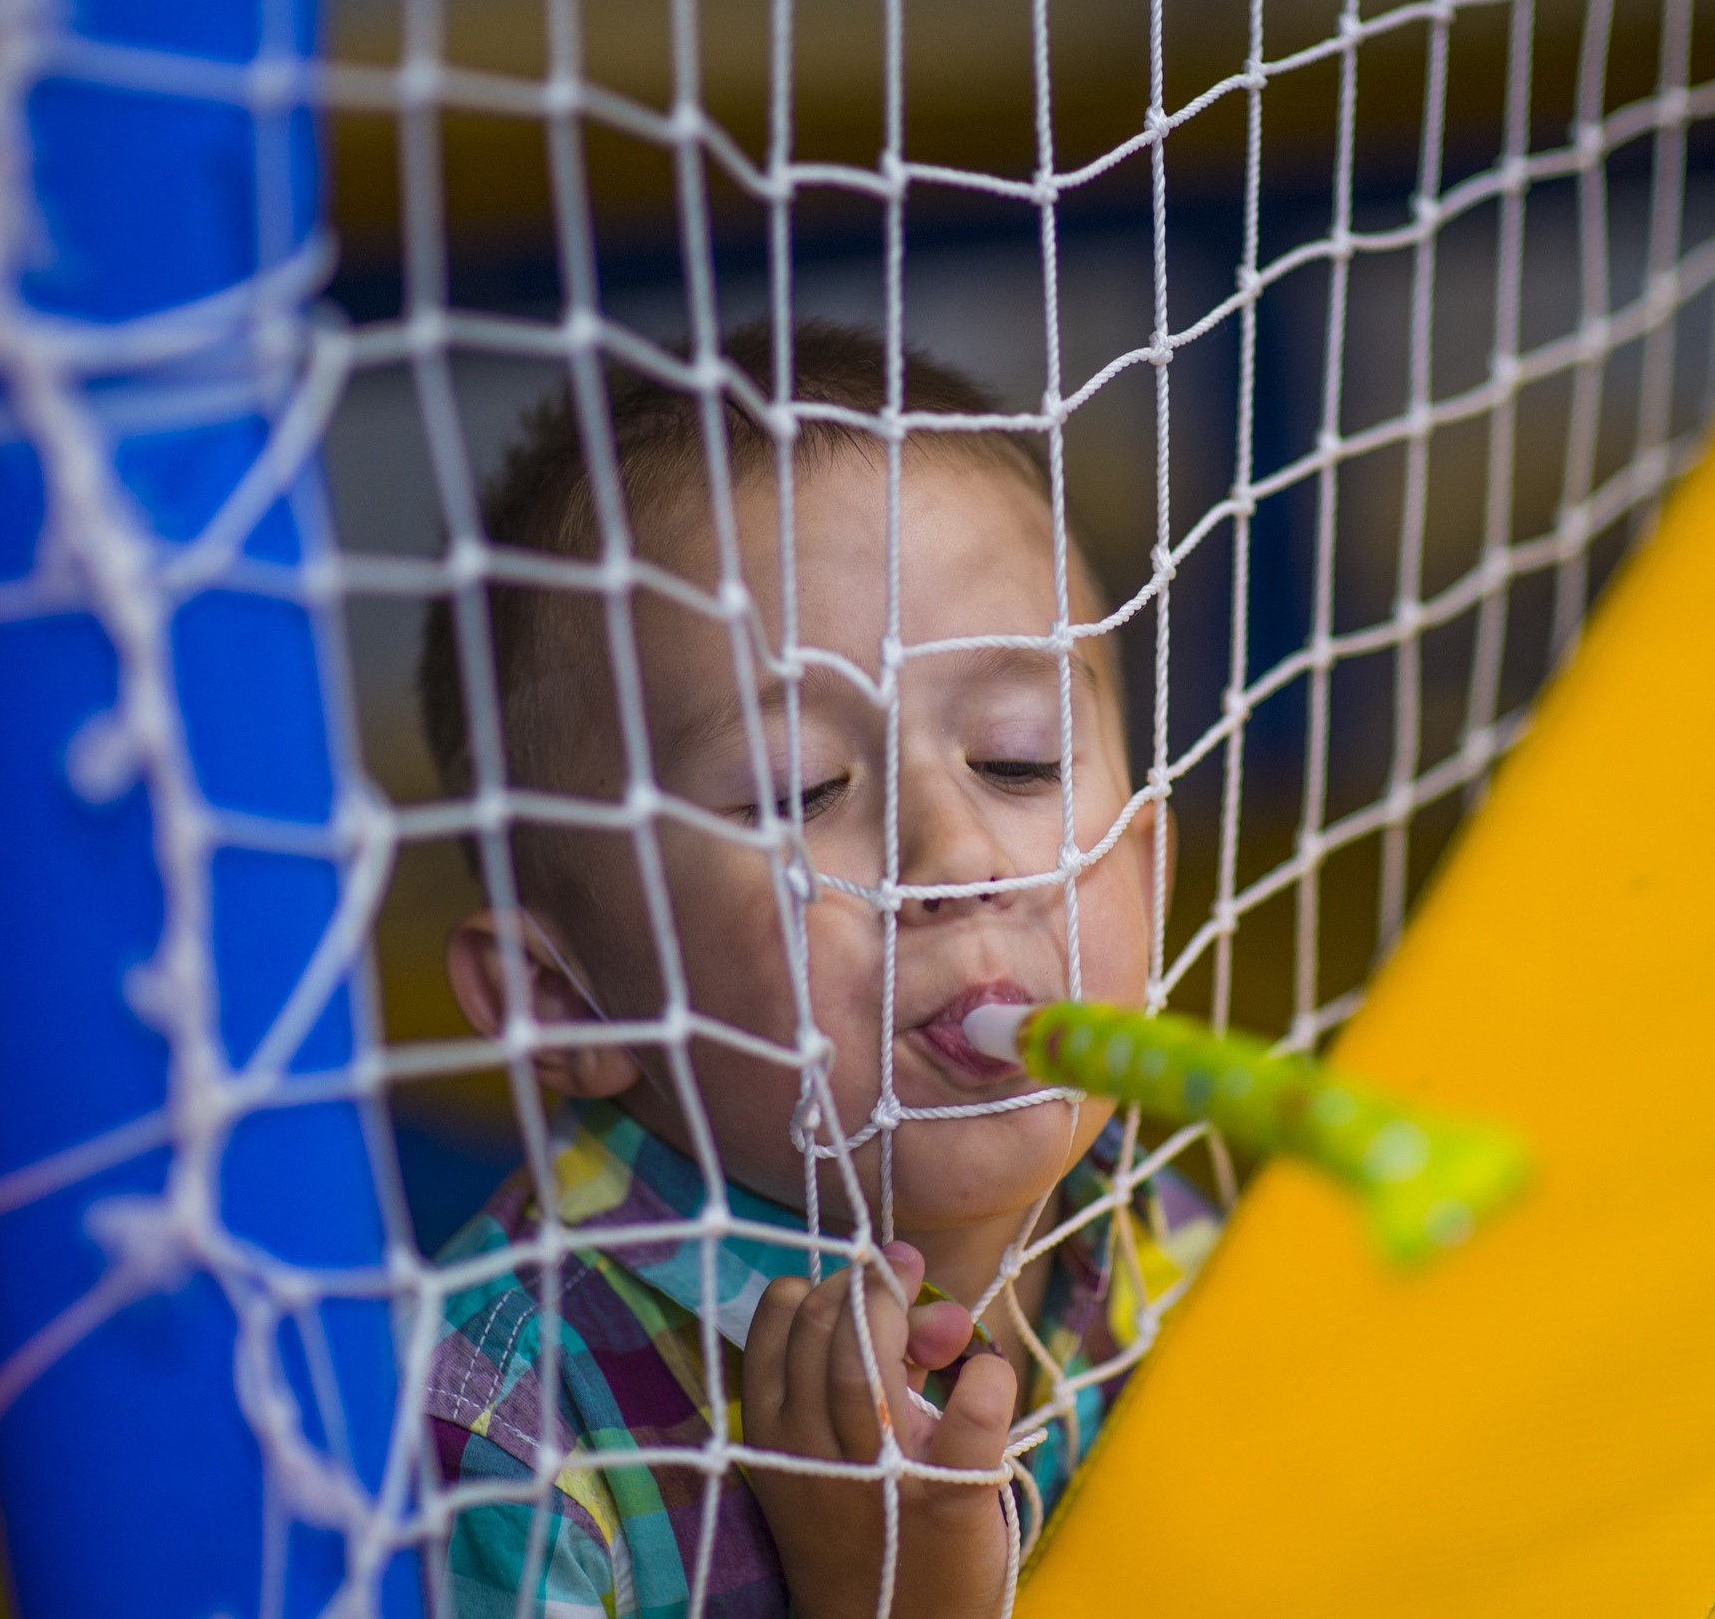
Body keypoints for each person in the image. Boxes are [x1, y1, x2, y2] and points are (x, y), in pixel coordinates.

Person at [415, 319, 1215, 1619]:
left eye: (1016, 756)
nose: (955, 855)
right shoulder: (505, 1439)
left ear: (1146, 871)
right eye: (799, 789)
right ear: (563, 998)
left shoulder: (1182, 1256)